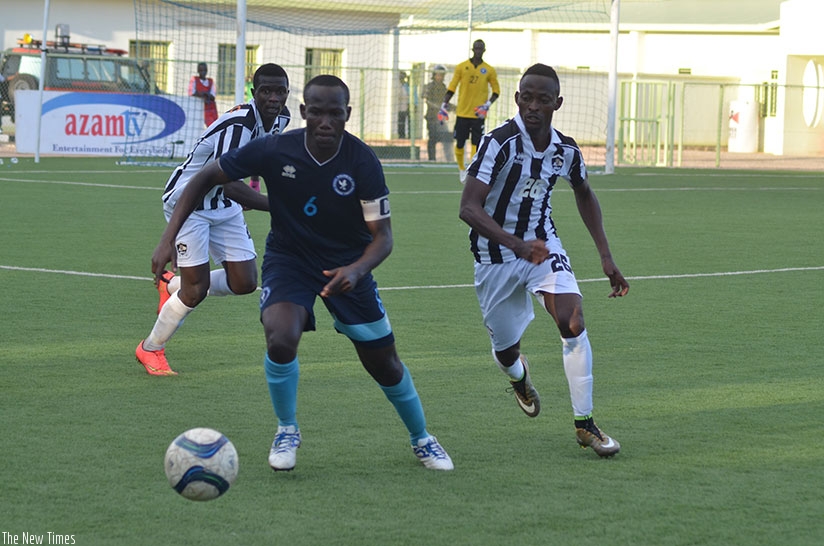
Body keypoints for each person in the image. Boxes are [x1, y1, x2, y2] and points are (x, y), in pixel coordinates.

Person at [148, 74, 454, 472]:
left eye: (335, 113)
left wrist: (358, 269)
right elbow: (205, 176)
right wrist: (167, 237)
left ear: (347, 114)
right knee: (281, 336)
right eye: (318, 113)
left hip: (347, 265)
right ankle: (286, 429)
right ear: (305, 112)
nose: (326, 121)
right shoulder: (277, 149)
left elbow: (384, 238)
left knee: (384, 364)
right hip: (289, 259)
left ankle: (422, 438)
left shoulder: (362, 161)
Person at [458, 63, 630, 458]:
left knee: (573, 320)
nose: (533, 106)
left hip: (543, 245)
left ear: (557, 103)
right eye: (527, 98)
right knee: (505, 350)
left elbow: (584, 193)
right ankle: (519, 377)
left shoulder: (565, 150)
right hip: (494, 255)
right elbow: (469, 208)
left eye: (543, 99)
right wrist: (515, 245)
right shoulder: (498, 143)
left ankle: (585, 424)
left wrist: (606, 256)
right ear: (517, 99)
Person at [136, 63, 292, 376]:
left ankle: (173, 285)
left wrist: (260, 187)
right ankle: (150, 348)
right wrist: (278, 205)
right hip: (189, 203)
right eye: (266, 91)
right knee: (195, 291)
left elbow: (261, 157)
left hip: (225, 205)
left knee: (245, 282)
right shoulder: (239, 125)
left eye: (280, 91)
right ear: (253, 92)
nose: (273, 98)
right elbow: (225, 180)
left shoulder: (282, 118)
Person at [439, 39, 500, 182]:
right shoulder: (461, 67)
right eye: (476, 48)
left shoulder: (489, 70)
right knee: (460, 143)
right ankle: (461, 169)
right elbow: (452, 87)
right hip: (462, 113)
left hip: (478, 115)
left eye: (481, 49)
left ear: (484, 51)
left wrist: (487, 105)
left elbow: (496, 91)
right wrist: (444, 103)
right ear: (473, 50)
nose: (478, 51)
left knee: (476, 144)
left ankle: (471, 170)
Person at [422, 64, 454, 162]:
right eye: (438, 74)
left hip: (441, 118)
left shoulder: (444, 88)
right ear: (434, 75)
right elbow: (426, 99)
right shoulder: (429, 86)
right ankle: (432, 159)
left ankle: (449, 159)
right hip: (431, 117)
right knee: (432, 138)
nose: (440, 77)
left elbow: (446, 102)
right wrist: (438, 107)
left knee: (446, 139)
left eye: (442, 75)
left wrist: (453, 107)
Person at [189, 62, 219, 127]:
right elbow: (191, 93)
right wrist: (203, 94)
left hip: (209, 108)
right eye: (201, 70)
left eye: (205, 70)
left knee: (213, 126)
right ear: (198, 71)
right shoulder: (194, 80)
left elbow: (213, 96)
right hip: (197, 106)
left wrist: (205, 95)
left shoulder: (210, 81)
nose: (203, 72)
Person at [396, 71, 410, 139]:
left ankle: (403, 135)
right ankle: (400, 135)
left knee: (403, 121)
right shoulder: (398, 85)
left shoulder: (405, 85)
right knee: (400, 122)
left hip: (404, 107)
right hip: (399, 107)